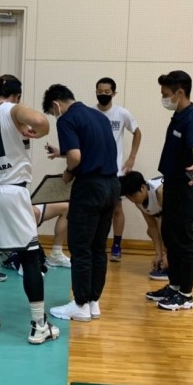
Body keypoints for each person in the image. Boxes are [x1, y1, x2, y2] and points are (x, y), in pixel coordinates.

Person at [0, 74, 59, 344]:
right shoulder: (12, 109)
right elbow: (42, 122)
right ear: (16, 96)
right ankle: (39, 325)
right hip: (11, 190)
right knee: (29, 257)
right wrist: (36, 132)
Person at [43, 84, 120, 322]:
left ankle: (80, 304)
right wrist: (62, 151)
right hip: (111, 186)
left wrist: (68, 172)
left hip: (89, 188)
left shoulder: (66, 119)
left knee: (80, 248)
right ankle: (93, 302)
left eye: (53, 112)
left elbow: (76, 157)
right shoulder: (99, 116)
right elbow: (90, 148)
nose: (55, 115)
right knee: (98, 248)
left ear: (56, 104)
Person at [145, 70, 193, 311]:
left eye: (166, 94)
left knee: (183, 241)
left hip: (185, 188)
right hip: (171, 185)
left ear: (180, 93)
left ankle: (186, 295)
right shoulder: (178, 116)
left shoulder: (192, 119)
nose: (164, 98)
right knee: (170, 236)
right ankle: (175, 286)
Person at [120, 171, 193, 281]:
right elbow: (152, 227)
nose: (132, 200)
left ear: (143, 187)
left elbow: (167, 224)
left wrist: (167, 254)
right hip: (181, 209)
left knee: (172, 229)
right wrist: (159, 254)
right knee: (153, 231)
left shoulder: (159, 192)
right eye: (129, 197)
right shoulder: (138, 202)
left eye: (133, 196)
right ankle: (191, 253)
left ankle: (183, 259)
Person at [94, 77, 142, 261]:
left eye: (107, 92)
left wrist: (132, 157)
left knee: (116, 208)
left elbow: (137, 132)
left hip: (116, 171)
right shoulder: (90, 112)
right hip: (94, 170)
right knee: (96, 208)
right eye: (99, 91)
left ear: (114, 93)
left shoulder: (122, 113)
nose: (103, 94)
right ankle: (96, 244)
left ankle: (116, 245)